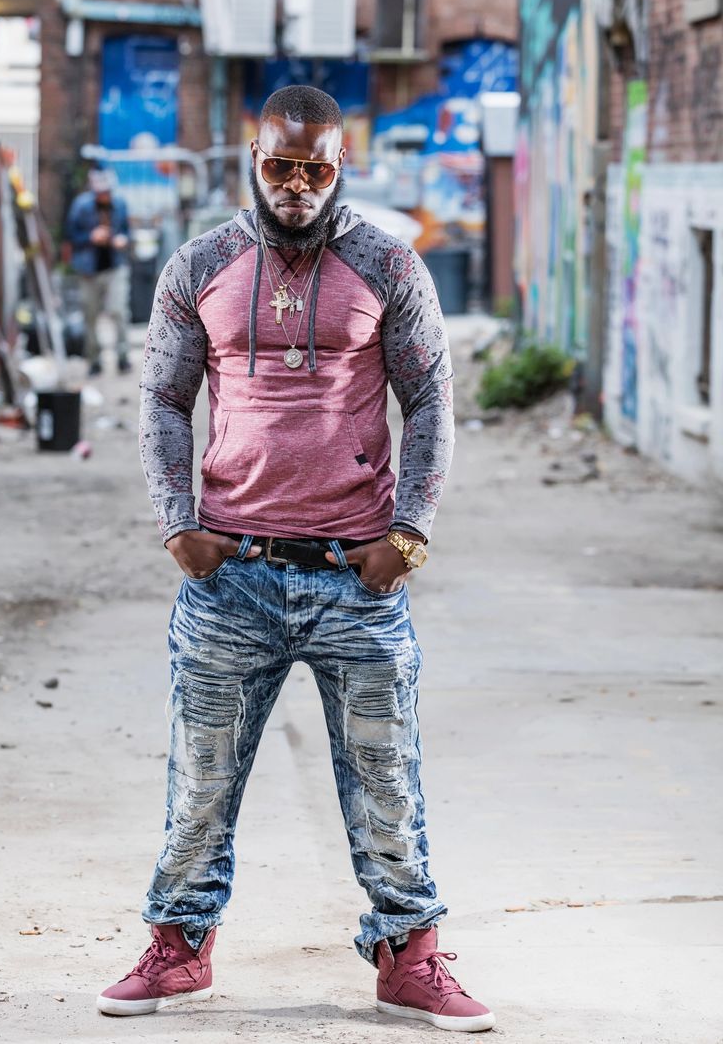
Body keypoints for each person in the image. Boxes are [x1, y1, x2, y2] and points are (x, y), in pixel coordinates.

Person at [97, 85, 495, 1033]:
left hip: (355, 575)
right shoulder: (200, 264)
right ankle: (179, 945)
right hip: (230, 574)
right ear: (255, 157)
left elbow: (431, 401)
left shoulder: (388, 264)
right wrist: (177, 523)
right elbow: (163, 399)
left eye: (316, 168)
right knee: (200, 779)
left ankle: (409, 956)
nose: (298, 185)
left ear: (340, 163)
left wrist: (408, 533)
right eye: (281, 164)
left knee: (387, 777)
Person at [64, 167, 132, 375]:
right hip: (89, 269)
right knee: (90, 315)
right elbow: (70, 235)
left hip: (114, 266)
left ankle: (123, 357)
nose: (105, 195)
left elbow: (126, 231)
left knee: (118, 311)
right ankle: (94, 360)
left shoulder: (119, 204)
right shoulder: (81, 206)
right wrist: (91, 237)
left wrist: (122, 240)